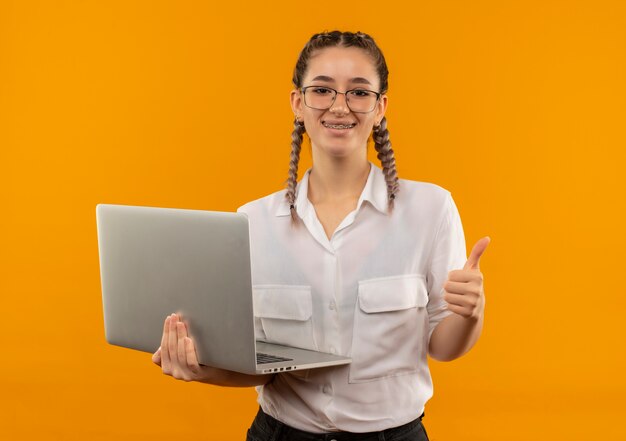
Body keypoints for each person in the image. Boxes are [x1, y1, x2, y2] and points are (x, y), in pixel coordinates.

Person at [152, 30, 490, 441]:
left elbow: (443, 347)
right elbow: (253, 366)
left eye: (359, 92)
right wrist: (196, 367)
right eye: (323, 90)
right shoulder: (251, 223)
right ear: (298, 103)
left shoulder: (431, 210)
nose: (340, 106)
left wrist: (470, 313)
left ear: (381, 107)